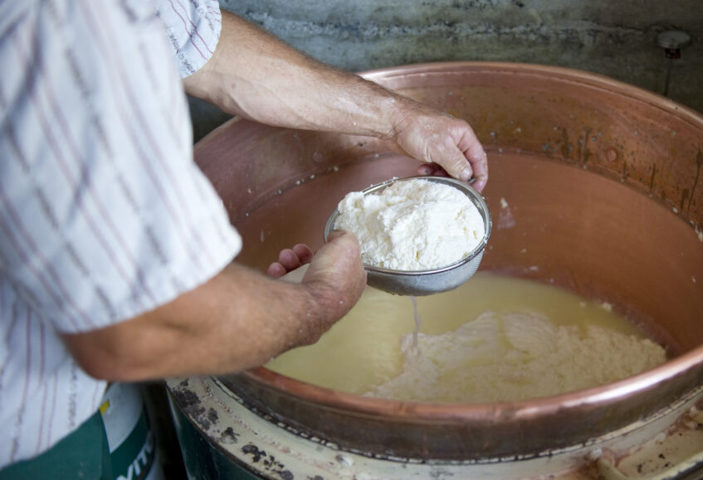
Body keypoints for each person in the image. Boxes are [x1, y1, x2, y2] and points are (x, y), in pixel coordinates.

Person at [0, 0, 488, 476]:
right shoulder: (49, 23)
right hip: (25, 435)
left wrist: (397, 119)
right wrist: (319, 303)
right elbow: (139, 328)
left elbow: (199, 44)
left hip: (77, 385)